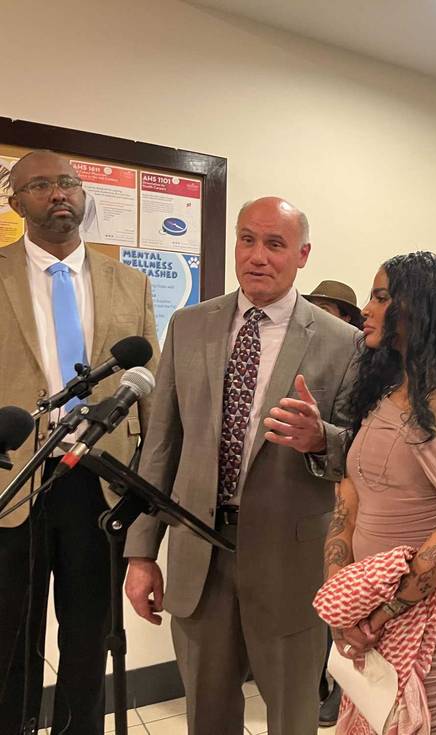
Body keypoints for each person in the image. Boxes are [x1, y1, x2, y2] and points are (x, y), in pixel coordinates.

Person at [123, 197, 359, 735]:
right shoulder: (189, 326)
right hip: (199, 553)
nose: (257, 256)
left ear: (302, 254)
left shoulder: (342, 342)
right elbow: (161, 446)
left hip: (289, 560)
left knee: (291, 715)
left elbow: (360, 454)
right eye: (247, 239)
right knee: (207, 714)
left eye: (275, 244)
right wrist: (141, 552)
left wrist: (321, 439)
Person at [0, 151, 158, 735]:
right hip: (13, 482)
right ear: (16, 203)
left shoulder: (131, 283)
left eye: (68, 181)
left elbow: (150, 389)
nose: (58, 193)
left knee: (90, 639)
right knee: (9, 639)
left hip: (100, 482)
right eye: (39, 184)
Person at [324, 251, 436, 734]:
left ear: (422, 307)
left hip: (434, 613)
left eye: (381, 297)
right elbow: (350, 495)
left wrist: (380, 614)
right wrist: (343, 596)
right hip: (365, 604)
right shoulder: (383, 389)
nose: (365, 308)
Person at [303, 277, 362, 727]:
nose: (321, 316)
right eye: (316, 307)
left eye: (331, 309)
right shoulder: (302, 353)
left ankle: (342, 685)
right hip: (312, 495)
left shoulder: (362, 359)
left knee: (345, 595)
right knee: (318, 593)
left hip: (353, 495)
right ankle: (320, 681)